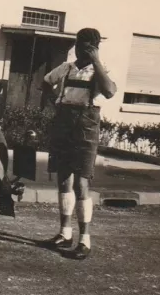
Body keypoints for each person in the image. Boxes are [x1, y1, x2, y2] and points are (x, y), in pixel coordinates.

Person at [41, 28, 117, 260]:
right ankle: (65, 233)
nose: (81, 49)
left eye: (88, 45)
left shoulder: (100, 70)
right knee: (64, 180)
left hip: (85, 129)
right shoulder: (66, 68)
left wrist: (96, 61)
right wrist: (55, 102)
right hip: (64, 126)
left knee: (81, 184)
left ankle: (84, 240)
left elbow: (110, 91)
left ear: (95, 47)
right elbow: (45, 82)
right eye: (80, 44)